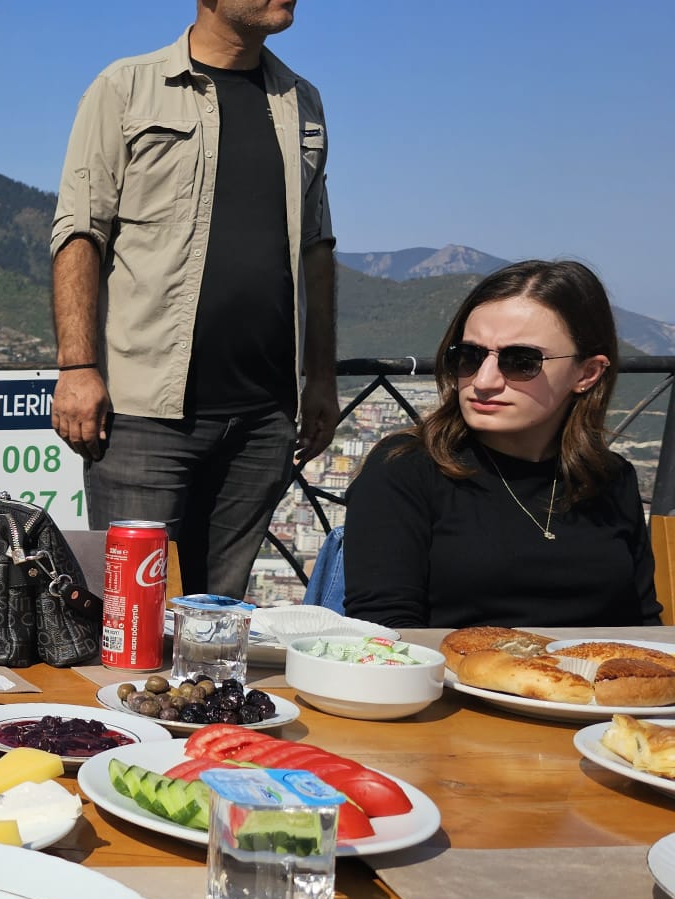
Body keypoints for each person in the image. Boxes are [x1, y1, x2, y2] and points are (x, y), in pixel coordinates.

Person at [50, 0, 337, 598]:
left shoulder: (301, 101)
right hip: (147, 414)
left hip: (265, 415)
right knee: (132, 615)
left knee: (215, 613)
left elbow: (317, 248)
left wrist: (320, 379)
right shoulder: (125, 87)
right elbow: (80, 231)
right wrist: (78, 367)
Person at [344, 261, 658, 628]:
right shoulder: (407, 468)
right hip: (449, 683)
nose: (484, 380)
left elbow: (642, 628)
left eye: (521, 361)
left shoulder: (612, 479)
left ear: (586, 373)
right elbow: (385, 631)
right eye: (469, 356)